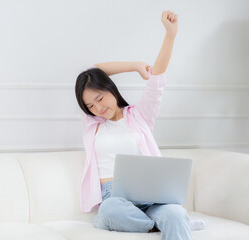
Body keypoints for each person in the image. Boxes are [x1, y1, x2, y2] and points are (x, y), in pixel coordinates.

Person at [74, 10, 204, 240]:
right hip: (114, 198)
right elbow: (91, 69)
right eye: (90, 106)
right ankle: (157, 226)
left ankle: (170, 221)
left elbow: (157, 80)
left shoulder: (139, 116)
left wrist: (170, 35)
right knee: (109, 210)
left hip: (152, 195)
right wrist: (134, 65)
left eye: (100, 98)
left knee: (174, 213)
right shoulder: (92, 124)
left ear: (110, 89)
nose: (98, 108)